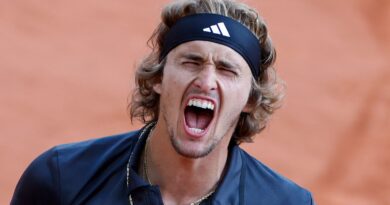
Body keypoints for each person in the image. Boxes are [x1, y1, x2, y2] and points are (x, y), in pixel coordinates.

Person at [12, 0, 315, 204]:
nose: (207, 81)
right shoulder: (62, 180)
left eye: (226, 69)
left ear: (250, 98)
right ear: (158, 78)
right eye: (191, 62)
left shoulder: (285, 201)